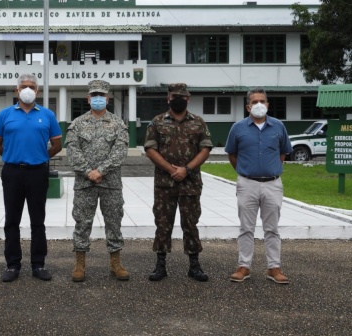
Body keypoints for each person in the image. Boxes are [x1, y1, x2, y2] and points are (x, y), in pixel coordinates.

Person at [0, 73, 62, 282]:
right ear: (17, 90)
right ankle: (13, 265)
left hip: (38, 172)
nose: (27, 89)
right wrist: (10, 155)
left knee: (37, 220)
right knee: (12, 220)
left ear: (37, 91)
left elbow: (57, 145)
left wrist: (40, 157)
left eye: (32, 86)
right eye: (24, 86)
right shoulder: (5, 114)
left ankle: (38, 264)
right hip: (12, 172)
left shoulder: (47, 115)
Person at [144, 83, 213, 282]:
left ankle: (194, 265)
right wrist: (171, 169)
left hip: (190, 183)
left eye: (182, 96)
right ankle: (160, 265)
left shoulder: (198, 122)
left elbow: (205, 148)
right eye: (175, 96)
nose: (179, 99)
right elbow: (150, 149)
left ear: (188, 99)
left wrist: (187, 169)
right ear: (168, 98)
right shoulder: (157, 122)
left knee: (191, 224)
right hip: (165, 184)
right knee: (163, 223)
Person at [225, 88, 293, 284]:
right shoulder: (237, 128)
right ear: (248, 106)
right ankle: (243, 266)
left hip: (272, 184)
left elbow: (283, 153)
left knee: (272, 229)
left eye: (262, 101)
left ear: (268, 104)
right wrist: (245, 171)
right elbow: (232, 154)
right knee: (246, 228)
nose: (259, 105)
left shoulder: (279, 127)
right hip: (247, 184)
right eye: (254, 102)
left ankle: (274, 268)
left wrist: (273, 169)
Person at [65, 80, 130, 282]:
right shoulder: (77, 124)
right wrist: (87, 171)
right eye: (94, 95)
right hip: (85, 184)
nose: (98, 99)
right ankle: (79, 264)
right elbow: (72, 150)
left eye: (101, 95)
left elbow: (120, 152)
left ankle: (116, 264)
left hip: (110, 183)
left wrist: (100, 171)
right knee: (82, 222)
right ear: (88, 98)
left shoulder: (118, 124)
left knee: (114, 222)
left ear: (108, 99)